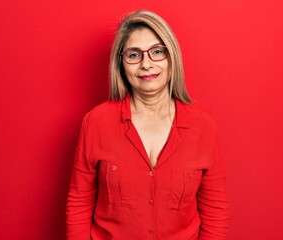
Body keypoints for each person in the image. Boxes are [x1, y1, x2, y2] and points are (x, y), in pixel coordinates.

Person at [66, 10, 229, 240]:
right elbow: (79, 202)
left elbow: (215, 212)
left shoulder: (203, 127)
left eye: (157, 52)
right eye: (134, 55)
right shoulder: (96, 122)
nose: (146, 64)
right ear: (121, 64)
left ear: (171, 57)